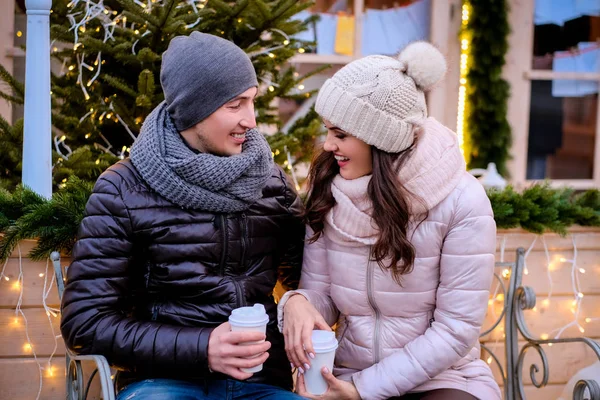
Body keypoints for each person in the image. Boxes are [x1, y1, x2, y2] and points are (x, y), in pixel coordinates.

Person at [60, 32, 305, 400]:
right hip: (161, 383)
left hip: (260, 384)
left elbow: (314, 275)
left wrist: (300, 298)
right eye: (235, 105)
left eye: (252, 102)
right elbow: (85, 324)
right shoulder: (123, 188)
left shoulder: (270, 183)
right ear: (194, 109)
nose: (251, 121)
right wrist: (202, 347)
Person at [278, 41, 502, 400]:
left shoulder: (461, 201)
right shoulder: (329, 190)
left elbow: (456, 330)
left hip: (443, 381)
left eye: (340, 134)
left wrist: (362, 391)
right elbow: (321, 296)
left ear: (379, 138)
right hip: (346, 374)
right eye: (328, 131)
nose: (328, 145)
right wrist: (298, 302)